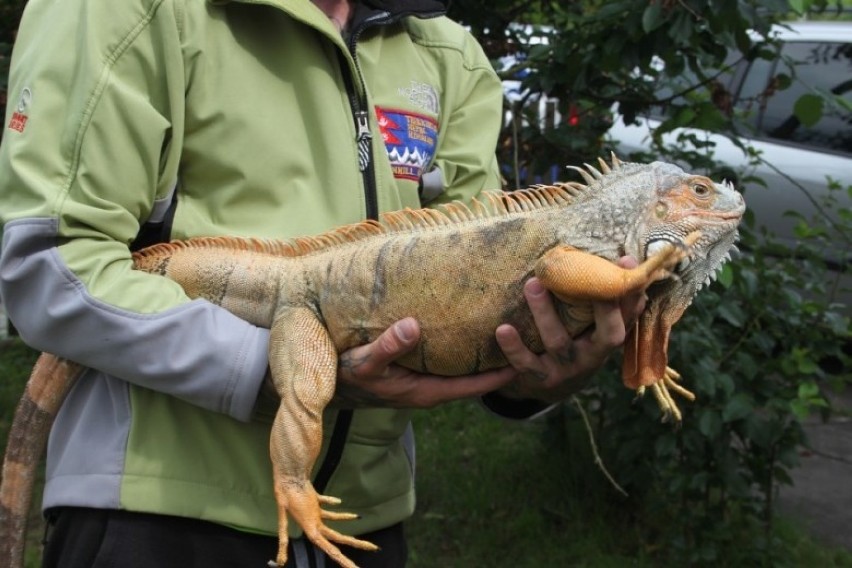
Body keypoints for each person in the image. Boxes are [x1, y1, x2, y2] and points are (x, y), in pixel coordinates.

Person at [0, 0, 644, 566]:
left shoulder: (446, 51)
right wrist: (275, 370)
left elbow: (493, 282)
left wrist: (538, 371)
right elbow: (53, 268)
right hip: (155, 513)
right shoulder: (123, 9)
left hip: (362, 523)